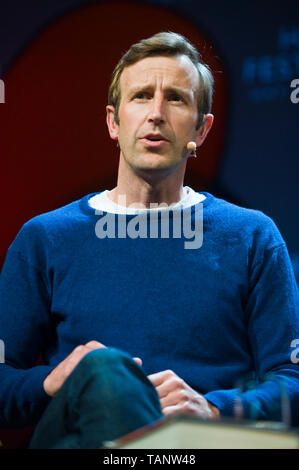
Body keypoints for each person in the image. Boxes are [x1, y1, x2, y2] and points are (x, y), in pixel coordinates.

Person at [0, 31, 298, 449]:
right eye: (141, 96)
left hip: (203, 444)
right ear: (113, 122)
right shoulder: (46, 238)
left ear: (203, 129)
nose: (156, 113)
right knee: (105, 369)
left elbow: (291, 377)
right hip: (82, 436)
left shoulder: (252, 236)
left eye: (175, 98)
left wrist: (213, 409)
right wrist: (52, 381)